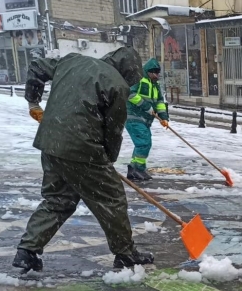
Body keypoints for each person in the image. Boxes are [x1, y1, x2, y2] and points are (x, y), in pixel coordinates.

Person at [12, 47, 155, 273]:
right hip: (82, 148)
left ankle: (27, 251)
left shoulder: (71, 61)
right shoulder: (117, 84)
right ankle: (125, 254)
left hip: (50, 143)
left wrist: (33, 102)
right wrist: (107, 160)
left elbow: (37, 66)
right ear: (129, 72)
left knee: (58, 199)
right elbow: (113, 129)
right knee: (112, 198)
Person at [125, 58, 169, 181]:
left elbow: (160, 102)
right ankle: (138, 169)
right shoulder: (139, 80)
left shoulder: (155, 85)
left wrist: (163, 118)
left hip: (144, 120)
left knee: (143, 143)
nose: (157, 75)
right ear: (148, 72)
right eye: (154, 73)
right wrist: (145, 106)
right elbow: (130, 94)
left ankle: (134, 169)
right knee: (143, 143)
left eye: (158, 73)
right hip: (134, 118)